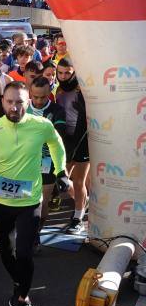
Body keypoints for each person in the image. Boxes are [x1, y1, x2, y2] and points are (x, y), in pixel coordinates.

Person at [0, 82, 72, 306]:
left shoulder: (41, 125)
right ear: (2, 102)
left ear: (27, 103)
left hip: (30, 201)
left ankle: (23, 299)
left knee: (25, 254)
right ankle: (19, 283)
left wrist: (61, 171)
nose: (14, 107)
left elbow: (57, 146)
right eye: (9, 102)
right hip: (2, 201)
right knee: (6, 253)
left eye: (19, 102)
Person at [28, 76, 67, 241]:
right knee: (25, 199)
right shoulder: (22, 107)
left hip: (47, 162)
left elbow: (57, 137)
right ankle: (24, 231)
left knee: (42, 201)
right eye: (35, 96)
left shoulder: (57, 110)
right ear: (30, 92)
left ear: (49, 92)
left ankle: (36, 234)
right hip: (24, 161)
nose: (38, 101)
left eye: (42, 97)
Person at [54, 58, 89, 234]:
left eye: (67, 72)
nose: (63, 76)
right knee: (63, 179)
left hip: (82, 139)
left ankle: (78, 218)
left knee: (78, 181)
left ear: (74, 71)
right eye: (60, 72)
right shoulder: (58, 89)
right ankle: (83, 203)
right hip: (64, 139)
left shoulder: (81, 88)